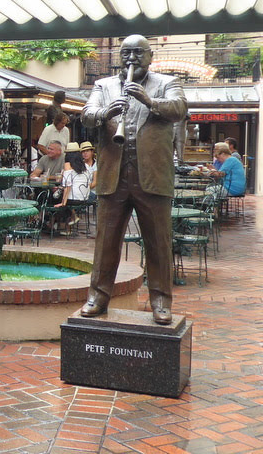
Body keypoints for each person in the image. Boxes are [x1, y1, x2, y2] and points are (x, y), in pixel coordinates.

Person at [80, 34, 187, 325]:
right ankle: (98, 297)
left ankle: (161, 301)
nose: (131, 58)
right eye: (126, 52)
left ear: (151, 56)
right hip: (114, 176)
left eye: (138, 52)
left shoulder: (167, 82)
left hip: (152, 176)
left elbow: (179, 109)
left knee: (158, 242)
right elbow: (86, 114)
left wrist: (148, 100)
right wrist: (105, 112)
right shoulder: (104, 85)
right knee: (106, 242)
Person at [53, 143, 91, 231]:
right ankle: (68, 223)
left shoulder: (68, 165)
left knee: (53, 199)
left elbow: (68, 185)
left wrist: (63, 202)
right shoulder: (84, 166)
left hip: (73, 199)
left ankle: (55, 224)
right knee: (61, 198)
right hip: (84, 198)